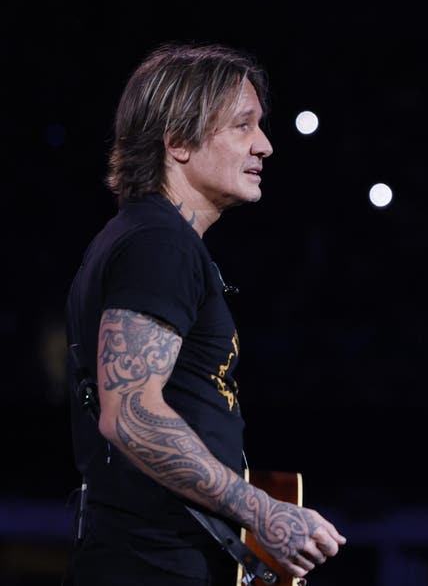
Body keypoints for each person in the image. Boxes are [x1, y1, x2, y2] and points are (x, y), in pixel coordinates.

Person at [64, 43, 346, 585]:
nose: (264, 145)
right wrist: (262, 512)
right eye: (243, 126)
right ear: (177, 140)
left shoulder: (151, 240)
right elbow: (127, 413)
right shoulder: (158, 244)